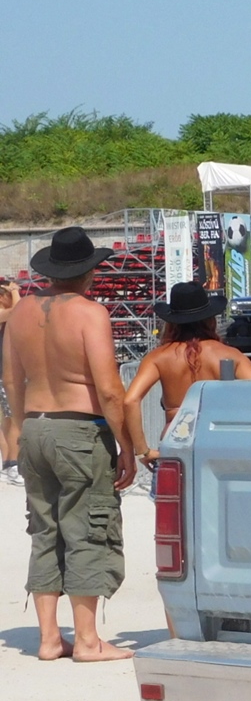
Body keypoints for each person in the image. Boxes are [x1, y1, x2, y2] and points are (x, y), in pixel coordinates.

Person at [1, 226, 137, 661]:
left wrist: (20, 427)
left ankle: (47, 639)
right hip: (79, 429)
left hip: (34, 426)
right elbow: (109, 390)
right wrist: (126, 445)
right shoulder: (90, 313)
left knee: (45, 531)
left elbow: (10, 379)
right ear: (89, 272)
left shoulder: (20, 312)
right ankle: (87, 641)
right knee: (87, 530)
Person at [123, 281, 251, 465]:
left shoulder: (158, 357)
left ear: (172, 322)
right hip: (219, 439)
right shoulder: (230, 355)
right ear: (210, 319)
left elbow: (130, 400)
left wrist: (143, 451)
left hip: (175, 440)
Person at [0, 276, 20, 485]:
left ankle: (7, 463)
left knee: (7, 420)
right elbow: (18, 311)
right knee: (13, 418)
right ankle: (13, 463)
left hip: (3, 373)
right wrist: (14, 291)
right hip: (3, 375)